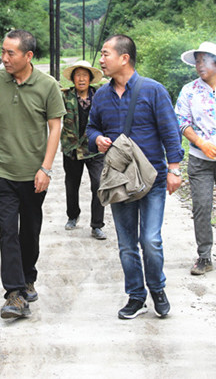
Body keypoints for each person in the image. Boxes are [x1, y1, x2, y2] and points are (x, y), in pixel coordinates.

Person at [87, 34, 184, 320]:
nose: (101, 60)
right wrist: (98, 139)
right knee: (127, 243)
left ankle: (158, 288)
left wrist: (175, 169)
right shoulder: (101, 95)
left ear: (124, 58)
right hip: (119, 179)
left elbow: (170, 131)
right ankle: (136, 296)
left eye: (105, 54)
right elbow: (91, 128)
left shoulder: (152, 91)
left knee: (150, 240)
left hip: (152, 178)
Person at [0, 29, 65, 319]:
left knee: (30, 231)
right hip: (1, 172)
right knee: (7, 233)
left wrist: (46, 168)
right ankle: (13, 294)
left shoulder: (47, 85)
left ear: (28, 56)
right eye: (2, 51)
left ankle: (28, 277)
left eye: (10, 53)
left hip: (33, 175)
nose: (4, 58)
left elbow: (55, 127)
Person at [175, 42, 216, 275]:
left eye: (205, 60)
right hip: (199, 158)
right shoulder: (189, 91)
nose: (200, 65)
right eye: (197, 61)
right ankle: (204, 255)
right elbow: (182, 121)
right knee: (202, 205)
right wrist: (201, 142)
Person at [60, 60, 107, 240]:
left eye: (84, 76)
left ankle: (97, 225)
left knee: (98, 184)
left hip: (94, 148)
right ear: (73, 79)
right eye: (78, 75)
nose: (81, 79)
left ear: (90, 79)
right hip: (72, 148)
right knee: (72, 185)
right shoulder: (65, 97)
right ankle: (72, 215)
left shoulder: (100, 96)